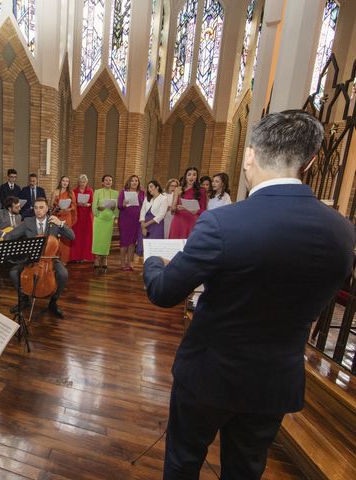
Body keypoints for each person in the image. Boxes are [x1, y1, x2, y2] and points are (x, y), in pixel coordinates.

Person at [144, 111, 355, 479]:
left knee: (183, 462)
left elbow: (163, 292)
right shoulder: (342, 232)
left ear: (249, 156)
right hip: (273, 380)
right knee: (245, 470)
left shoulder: (223, 223)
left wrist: (155, 261)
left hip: (208, 375)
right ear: (308, 162)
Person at [4, 197, 75, 318]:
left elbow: (71, 236)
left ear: (47, 209)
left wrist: (61, 223)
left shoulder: (54, 222)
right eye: (36, 208)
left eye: (41, 207)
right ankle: (24, 298)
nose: (38, 210)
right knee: (14, 272)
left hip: (50, 259)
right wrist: (19, 248)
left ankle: (53, 302)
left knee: (63, 274)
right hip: (31, 259)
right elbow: (9, 236)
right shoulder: (27, 222)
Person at [168, 167, 208, 239]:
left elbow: (204, 210)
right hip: (178, 220)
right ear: (185, 176)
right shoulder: (178, 189)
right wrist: (177, 198)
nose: (191, 177)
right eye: (189, 174)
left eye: (194, 175)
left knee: (188, 245)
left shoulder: (202, 190)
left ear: (197, 177)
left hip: (192, 221)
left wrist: (194, 211)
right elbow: (172, 210)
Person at [117, 175, 145, 271]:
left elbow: (144, 205)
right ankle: (122, 263)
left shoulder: (141, 193)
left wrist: (138, 198)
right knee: (124, 241)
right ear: (129, 182)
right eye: (132, 180)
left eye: (136, 180)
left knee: (132, 242)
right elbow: (119, 206)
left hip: (136, 221)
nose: (134, 182)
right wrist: (123, 204)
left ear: (138, 182)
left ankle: (130, 262)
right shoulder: (123, 192)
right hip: (125, 220)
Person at [92, 174, 119, 270]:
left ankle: (105, 258)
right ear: (102, 182)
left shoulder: (116, 193)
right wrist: (98, 209)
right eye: (106, 180)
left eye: (110, 180)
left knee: (106, 240)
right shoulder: (97, 192)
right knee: (98, 239)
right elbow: (94, 206)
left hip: (109, 219)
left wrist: (115, 212)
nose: (108, 182)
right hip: (99, 219)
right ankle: (96, 258)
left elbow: (116, 207)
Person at [51, 175, 77, 264]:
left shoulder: (71, 193)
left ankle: (64, 260)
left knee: (65, 238)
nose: (65, 183)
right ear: (60, 182)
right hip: (57, 216)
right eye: (63, 181)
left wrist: (68, 209)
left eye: (67, 181)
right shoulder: (55, 192)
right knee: (56, 238)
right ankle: (55, 259)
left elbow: (74, 206)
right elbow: (51, 206)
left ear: (68, 183)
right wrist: (57, 208)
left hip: (67, 216)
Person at [69, 174, 94, 263]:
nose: (82, 183)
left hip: (87, 216)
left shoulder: (90, 190)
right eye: (80, 182)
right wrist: (77, 204)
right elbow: (71, 203)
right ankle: (76, 256)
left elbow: (93, 203)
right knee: (77, 236)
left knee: (86, 236)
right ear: (78, 182)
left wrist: (88, 204)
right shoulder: (74, 191)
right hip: (77, 215)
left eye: (84, 182)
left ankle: (84, 256)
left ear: (86, 182)